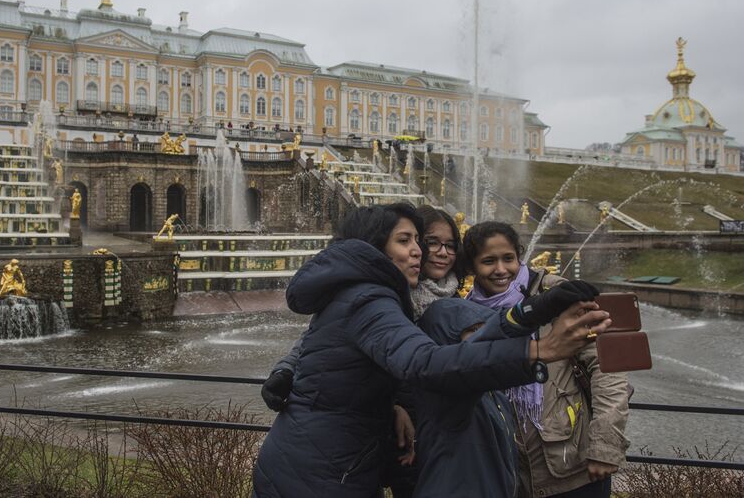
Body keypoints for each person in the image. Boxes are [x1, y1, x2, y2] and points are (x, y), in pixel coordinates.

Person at [252, 204, 610, 498]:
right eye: (409, 240)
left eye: (445, 244)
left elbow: (472, 339)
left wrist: (534, 310)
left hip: (347, 457)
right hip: (328, 467)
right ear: (375, 247)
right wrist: (537, 350)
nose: (422, 251)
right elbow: (423, 361)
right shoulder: (374, 300)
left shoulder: (397, 297)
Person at [261, 205, 465, 497]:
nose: (437, 251)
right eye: (431, 242)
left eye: (450, 245)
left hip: (435, 434)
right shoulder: (384, 293)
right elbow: (320, 340)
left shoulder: (463, 298)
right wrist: (286, 369)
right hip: (380, 441)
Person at [461, 221, 630, 498]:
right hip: (508, 473)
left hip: (572, 465)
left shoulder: (555, 294)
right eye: (488, 261)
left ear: (519, 256)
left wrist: (605, 445)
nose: (501, 270)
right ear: (472, 267)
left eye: (508, 258)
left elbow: (607, 365)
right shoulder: (465, 311)